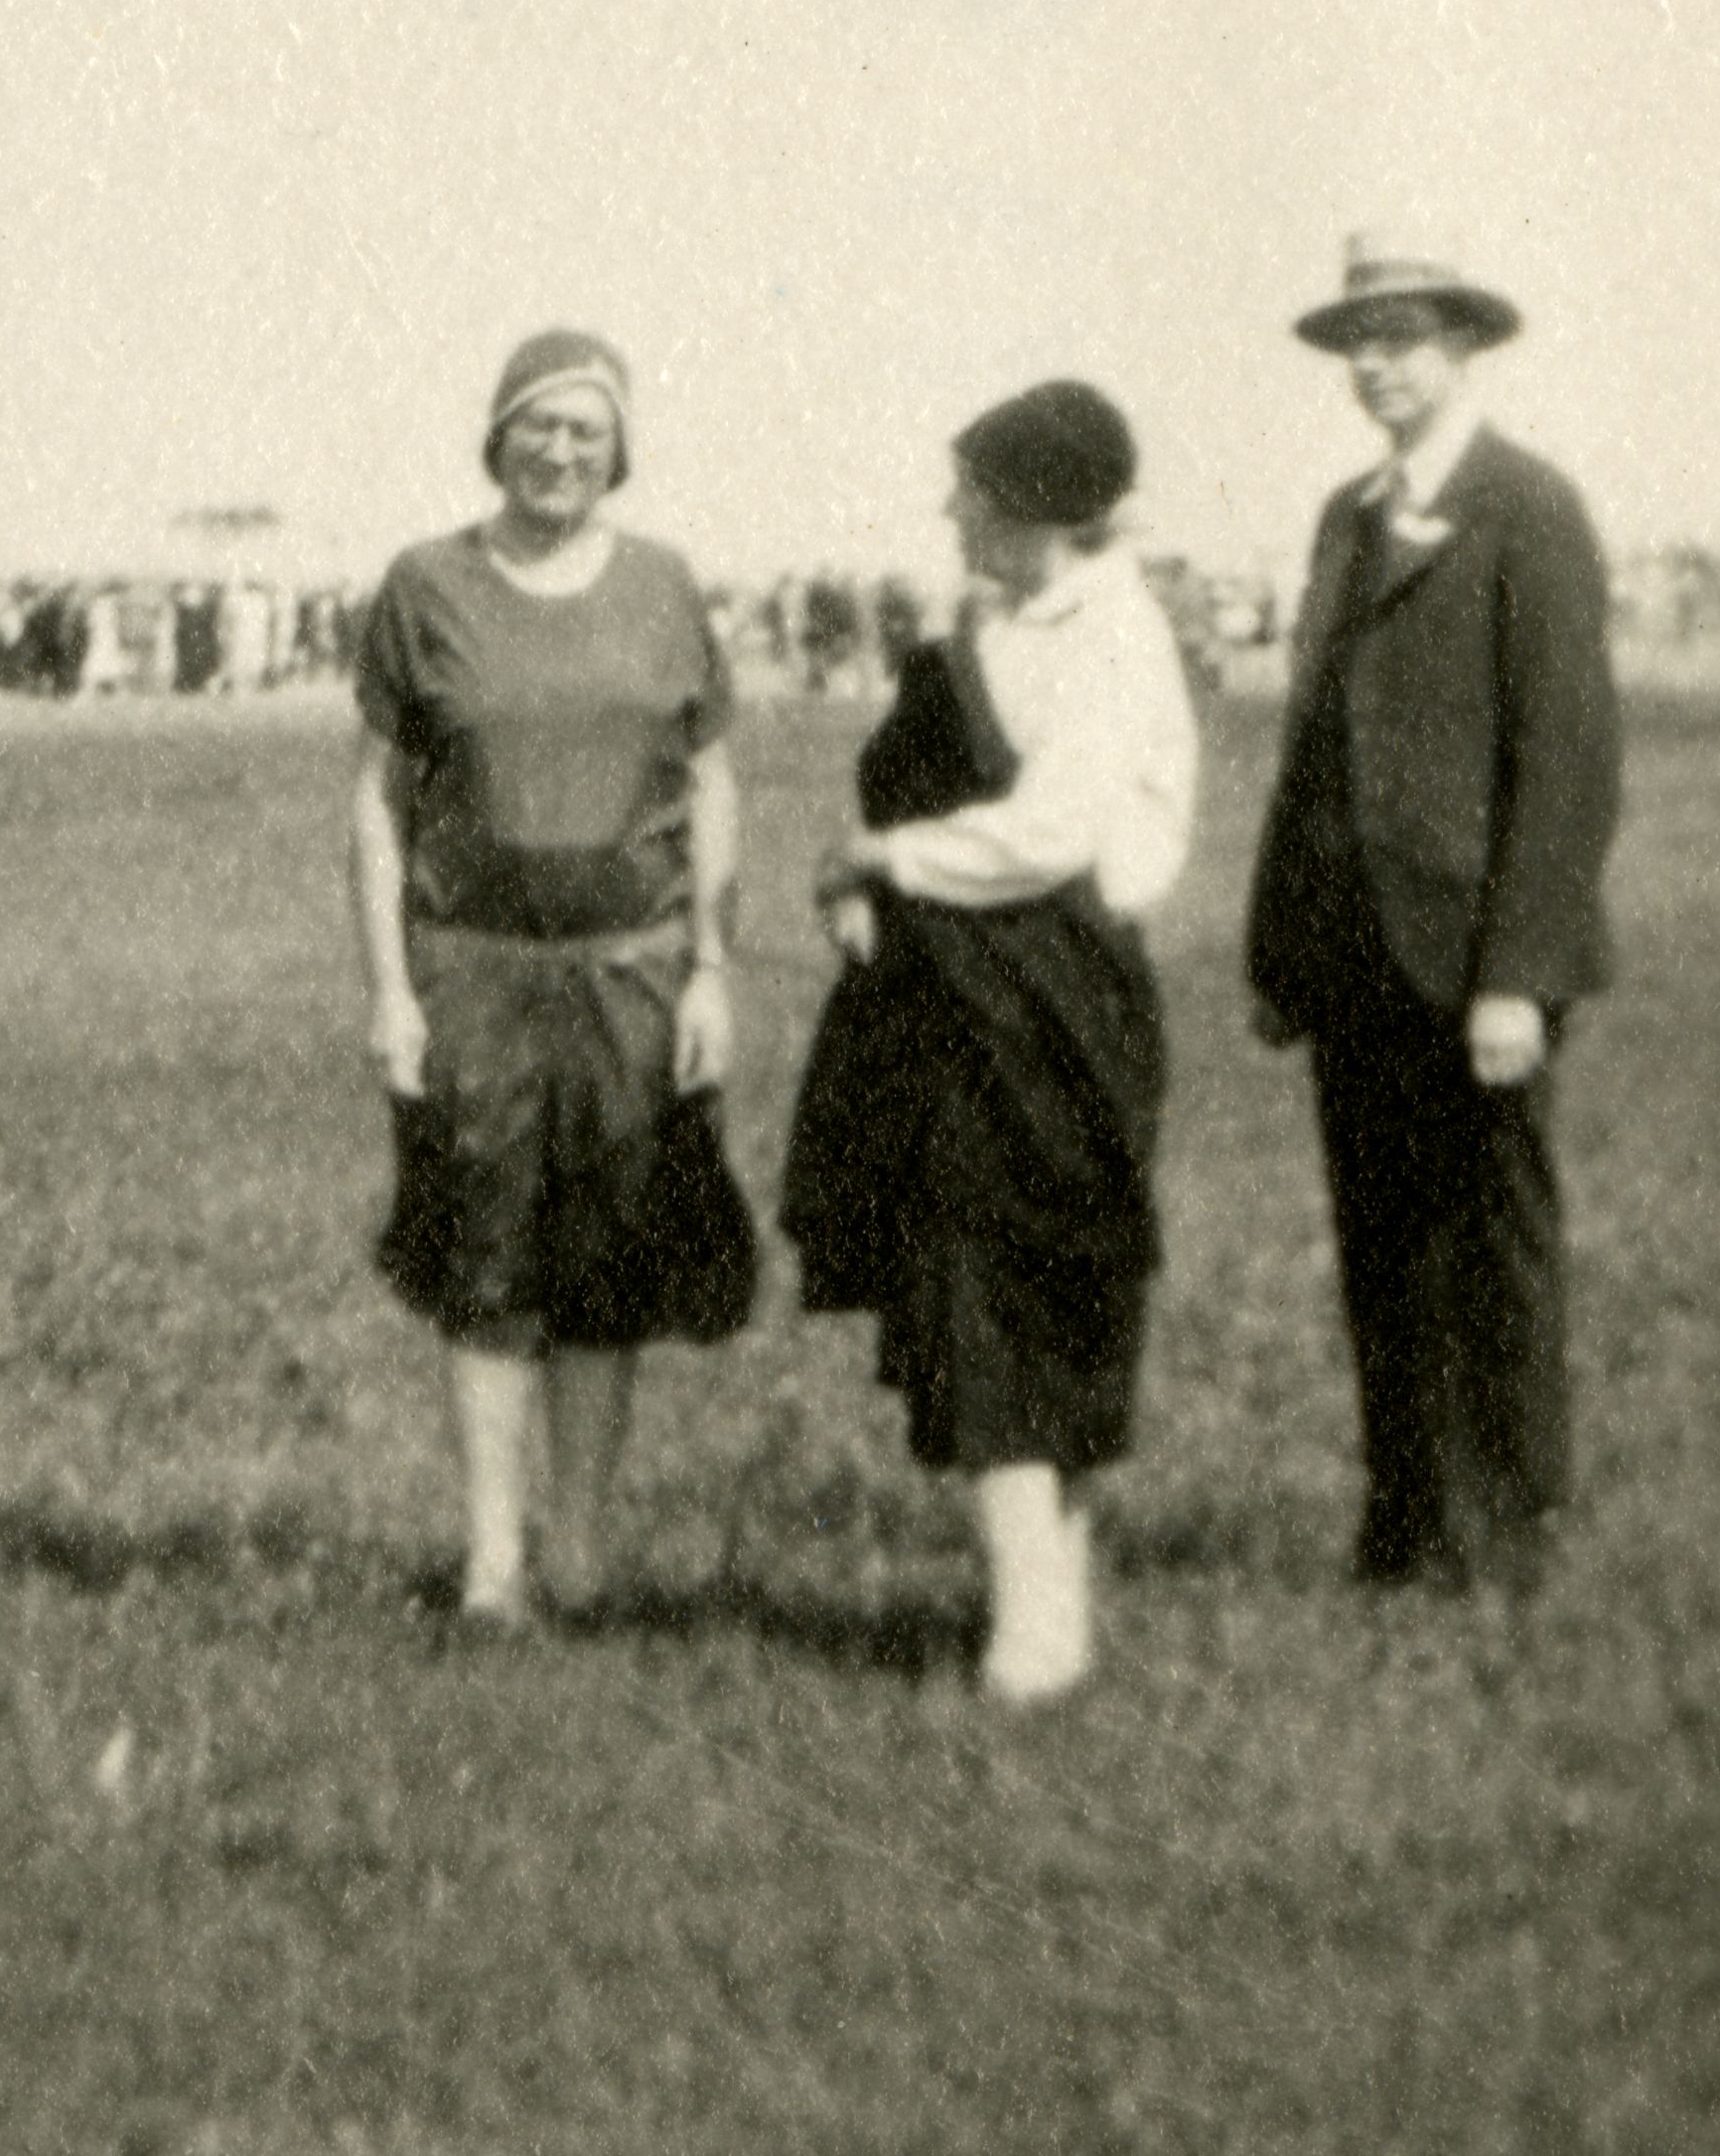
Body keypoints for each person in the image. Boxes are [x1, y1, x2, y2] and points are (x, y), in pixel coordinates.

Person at [779, 381, 1196, 1707]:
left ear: (1032, 509)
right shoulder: (991, 622)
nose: (952, 509)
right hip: (958, 997)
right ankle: (1044, 1612)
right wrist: (864, 878)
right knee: (973, 1278)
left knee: (1024, 1287)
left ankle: (1033, 1626)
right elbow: (908, 782)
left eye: (971, 488)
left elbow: (1053, 828)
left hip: (1052, 998)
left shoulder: (1113, 634)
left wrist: (887, 856)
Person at [350, 329, 753, 1625]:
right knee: (484, 1267)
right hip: (475, 970)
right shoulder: (425, 586)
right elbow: (374, 804)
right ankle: (490, 1565)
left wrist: (708, 968)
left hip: (632, 972)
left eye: (585, 428)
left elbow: (709, 783)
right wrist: (391, 989)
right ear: (497, 432)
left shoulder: (662, 584)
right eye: (539, 422)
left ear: (617, 448)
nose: (560, 449)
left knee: (606, 1266)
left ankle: (576, 1551)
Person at [1243, 238, 1622, 1599]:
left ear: (1463, 344)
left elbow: (1567, 762)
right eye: (1357, 338)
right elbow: (1308, 750)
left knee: (1491, 1249)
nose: (1373, 362)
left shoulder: (1526, 507)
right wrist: (1280, 948)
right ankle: (1403, 1524)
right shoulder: (1346, 516)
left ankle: (1509, 1536)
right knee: (1381, 1244)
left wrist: (1516, 974)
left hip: (1474, 961)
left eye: (1400, 335)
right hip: (1354, 955)